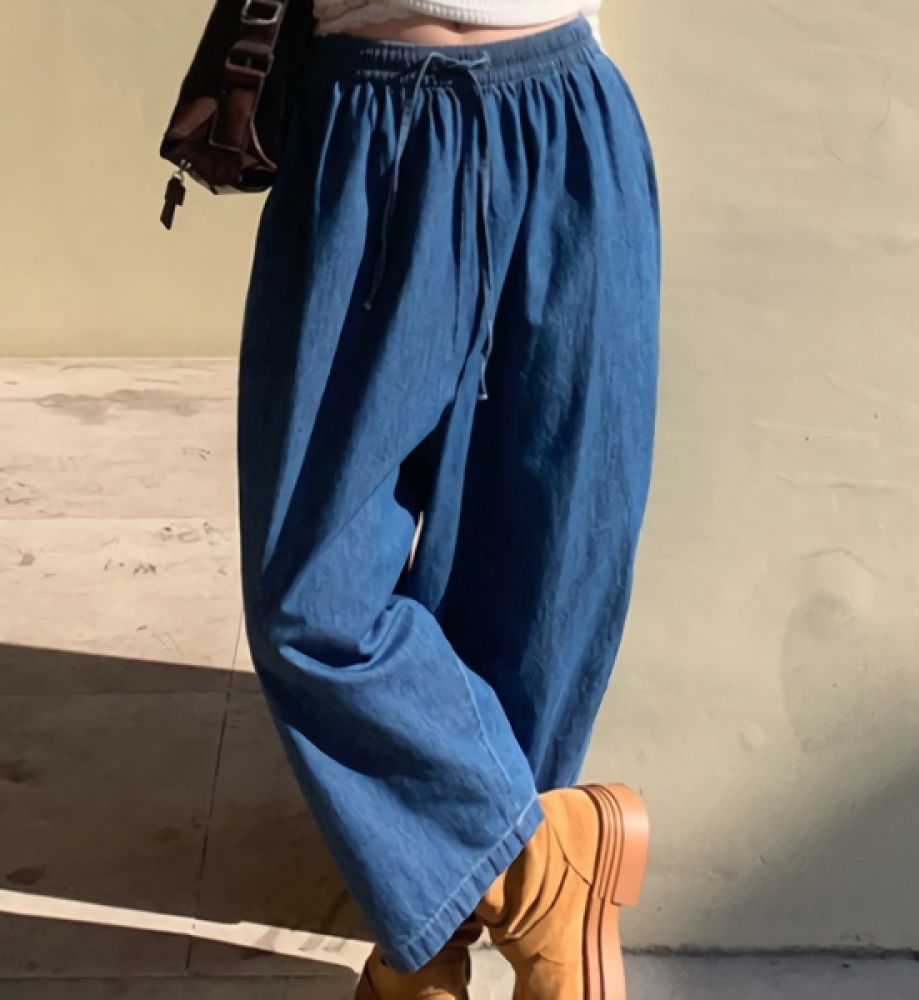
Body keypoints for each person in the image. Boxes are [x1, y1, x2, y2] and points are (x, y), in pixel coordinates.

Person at [236, 0, 660, 996]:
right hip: (367, 129)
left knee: (542, 575)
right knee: (311, 599)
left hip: (565, 122)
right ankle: (541, 877)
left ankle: (427, 948)